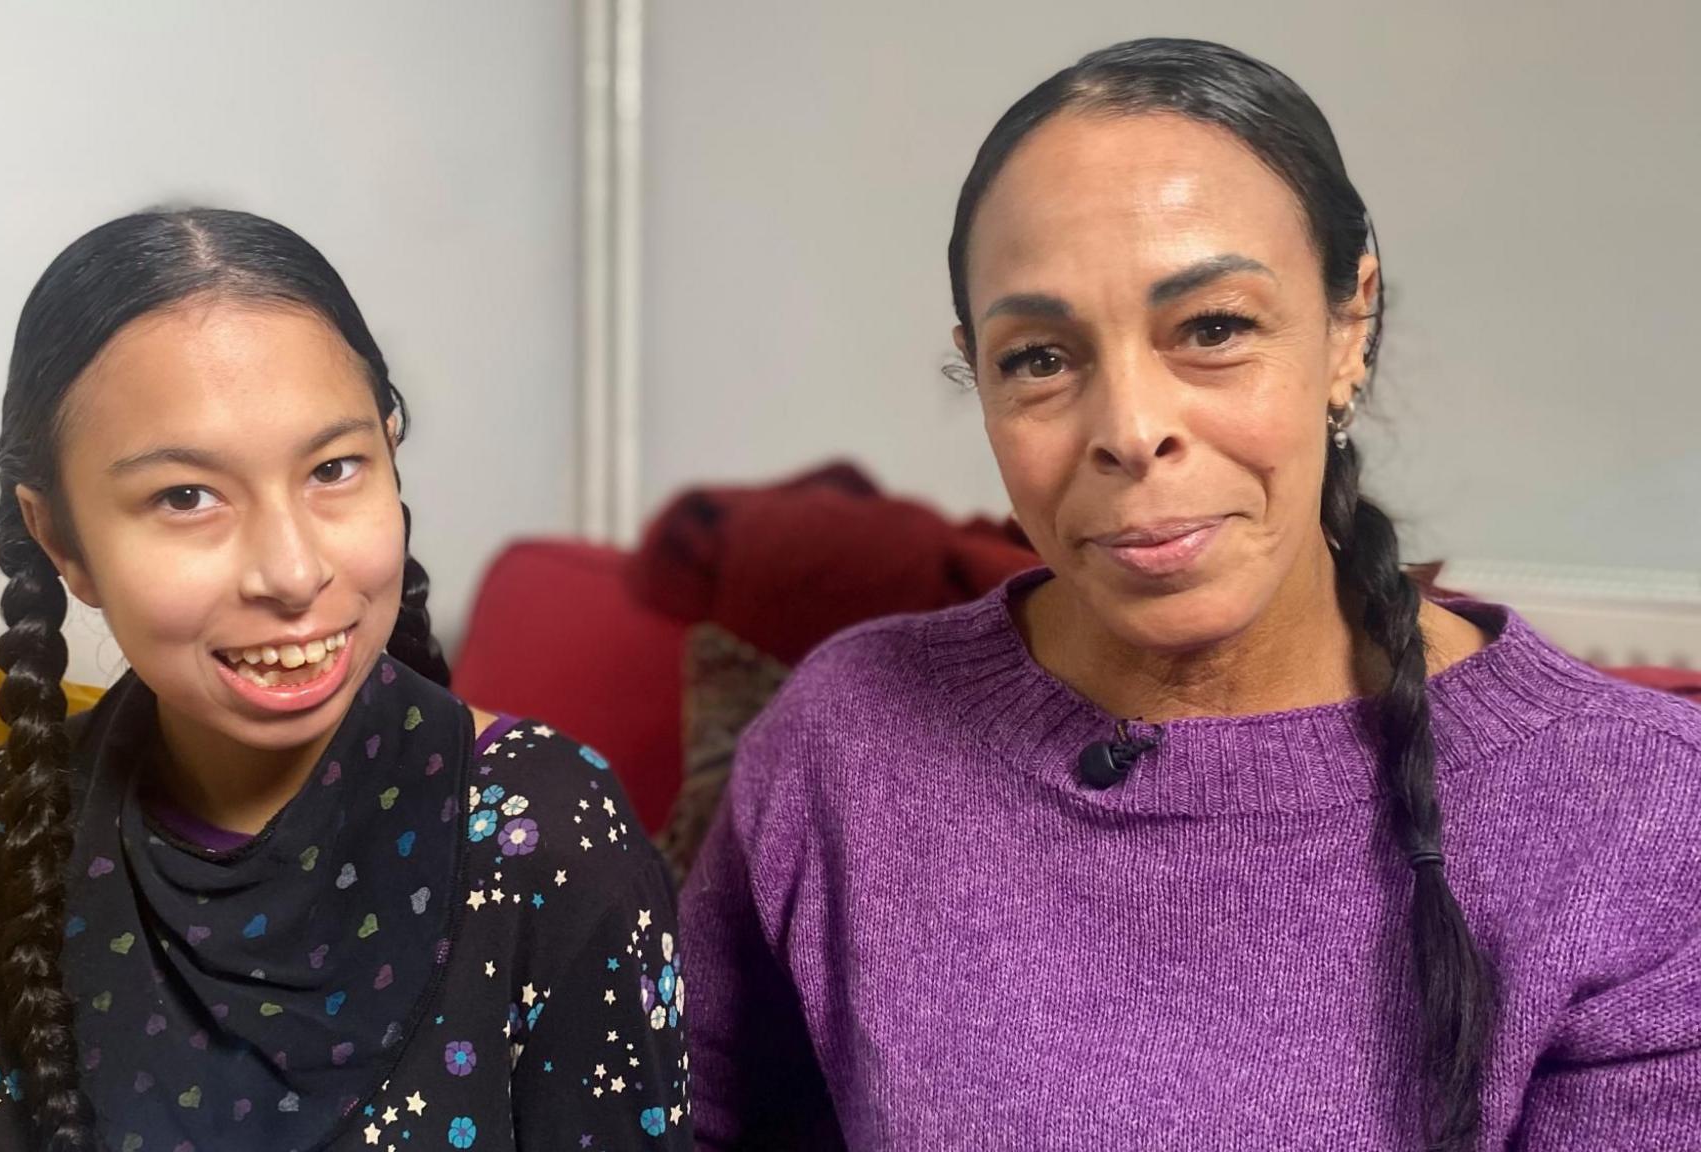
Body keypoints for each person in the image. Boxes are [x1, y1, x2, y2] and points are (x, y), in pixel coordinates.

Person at [681, 38, 1701, 1150]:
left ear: (1346, 326)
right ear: (974, 371)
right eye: (1038, 358)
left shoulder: (1634, 813)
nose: (1127, 431)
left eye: (1212, 329)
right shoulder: (845, 738)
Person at [0, 209, 690, 1150]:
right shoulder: (3, 839)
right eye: (186, 496)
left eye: (334, 467)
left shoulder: (547, 838)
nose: (292, 571)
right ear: (60, 539)